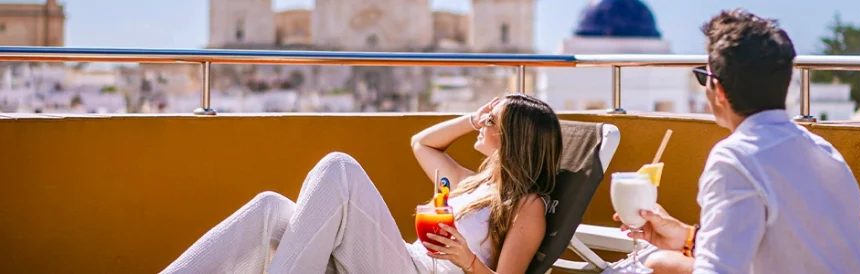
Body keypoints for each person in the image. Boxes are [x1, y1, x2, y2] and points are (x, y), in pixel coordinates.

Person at [161, 93, 562, 274]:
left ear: (513, 138)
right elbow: (421, 143)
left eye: (493, 122)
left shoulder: (526, 206)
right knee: (270, 208)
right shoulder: (469, 183)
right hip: (402, 260)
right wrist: (473, 119)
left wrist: (466, 260)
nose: (484, 123)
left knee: (341, 169)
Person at [614, 9, 860, 274]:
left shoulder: (735, 159)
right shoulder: (824, 151)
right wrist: (688, 238)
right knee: (661, 262)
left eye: (705, 76)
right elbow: (789, 247)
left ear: (720, 91)